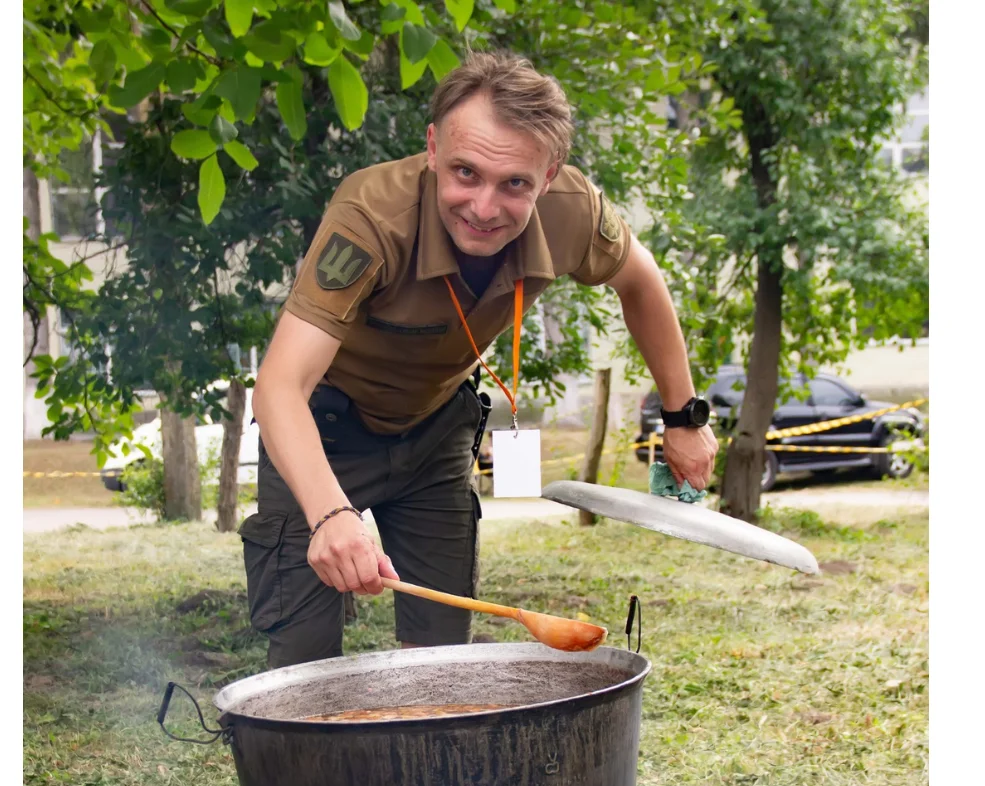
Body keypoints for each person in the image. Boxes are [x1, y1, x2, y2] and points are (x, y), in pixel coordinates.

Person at [241, 52, 718, 669]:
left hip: (437, 427)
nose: (485, 207)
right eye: (465, 172)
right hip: (321, 426)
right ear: (434, 147)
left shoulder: (574, 209)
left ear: (549, 178)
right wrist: (331, 514)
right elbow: (279, 385)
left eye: (515, 183)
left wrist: (682, 418)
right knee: (304, 657)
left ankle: (429, 766)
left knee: (442, 654)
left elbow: (642, 281)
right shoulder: (370, 217)